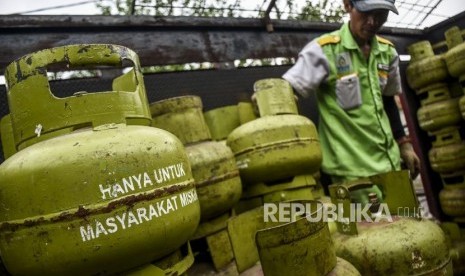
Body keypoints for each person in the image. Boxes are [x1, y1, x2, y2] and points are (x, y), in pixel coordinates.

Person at [282, 0, 421, 184]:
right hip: (351, 174)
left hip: (391, 164)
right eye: (366, 12)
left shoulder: (388, 52)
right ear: (348, 5)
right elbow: (284, 90)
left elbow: (389, 101)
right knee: (362, 215)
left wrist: (405, 145)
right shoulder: (323, 51)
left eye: (381, 14)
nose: (373, 22)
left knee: (403, 213)